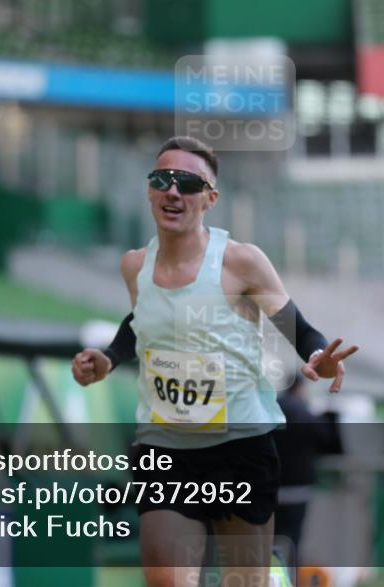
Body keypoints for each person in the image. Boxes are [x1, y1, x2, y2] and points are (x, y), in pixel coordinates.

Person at [72, 136, 357, 587]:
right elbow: (141, 321)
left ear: (210, 198)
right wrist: (108, 358)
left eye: (188, 183)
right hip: (164, 447)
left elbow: (297, 327)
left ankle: (270, 577)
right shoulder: (134, 266)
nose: (173, 191)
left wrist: (319, 357)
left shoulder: (240, 262)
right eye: (162, 179)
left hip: (239, 446)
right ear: (149, 189)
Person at [272, 376, 341, 570]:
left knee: (269, 540)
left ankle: (270, 578)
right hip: (298, 488)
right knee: (294, 539)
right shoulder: (304, 412)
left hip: (271, 488)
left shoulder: (271, 409)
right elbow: (325, 439)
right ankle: (291, 576)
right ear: (301, 388)